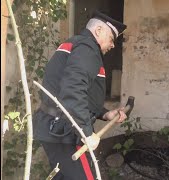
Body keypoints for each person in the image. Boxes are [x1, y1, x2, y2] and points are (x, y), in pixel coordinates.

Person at [33, 10, 128, 180]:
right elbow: (72, 90)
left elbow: (80, 93)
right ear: (98, 31)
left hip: (55, 127)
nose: (113, 45)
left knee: (63, 176)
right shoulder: (88, 48)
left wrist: (105, 113)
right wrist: (86, 132)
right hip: (66, 132)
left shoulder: (77, 45)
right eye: (112, 38)